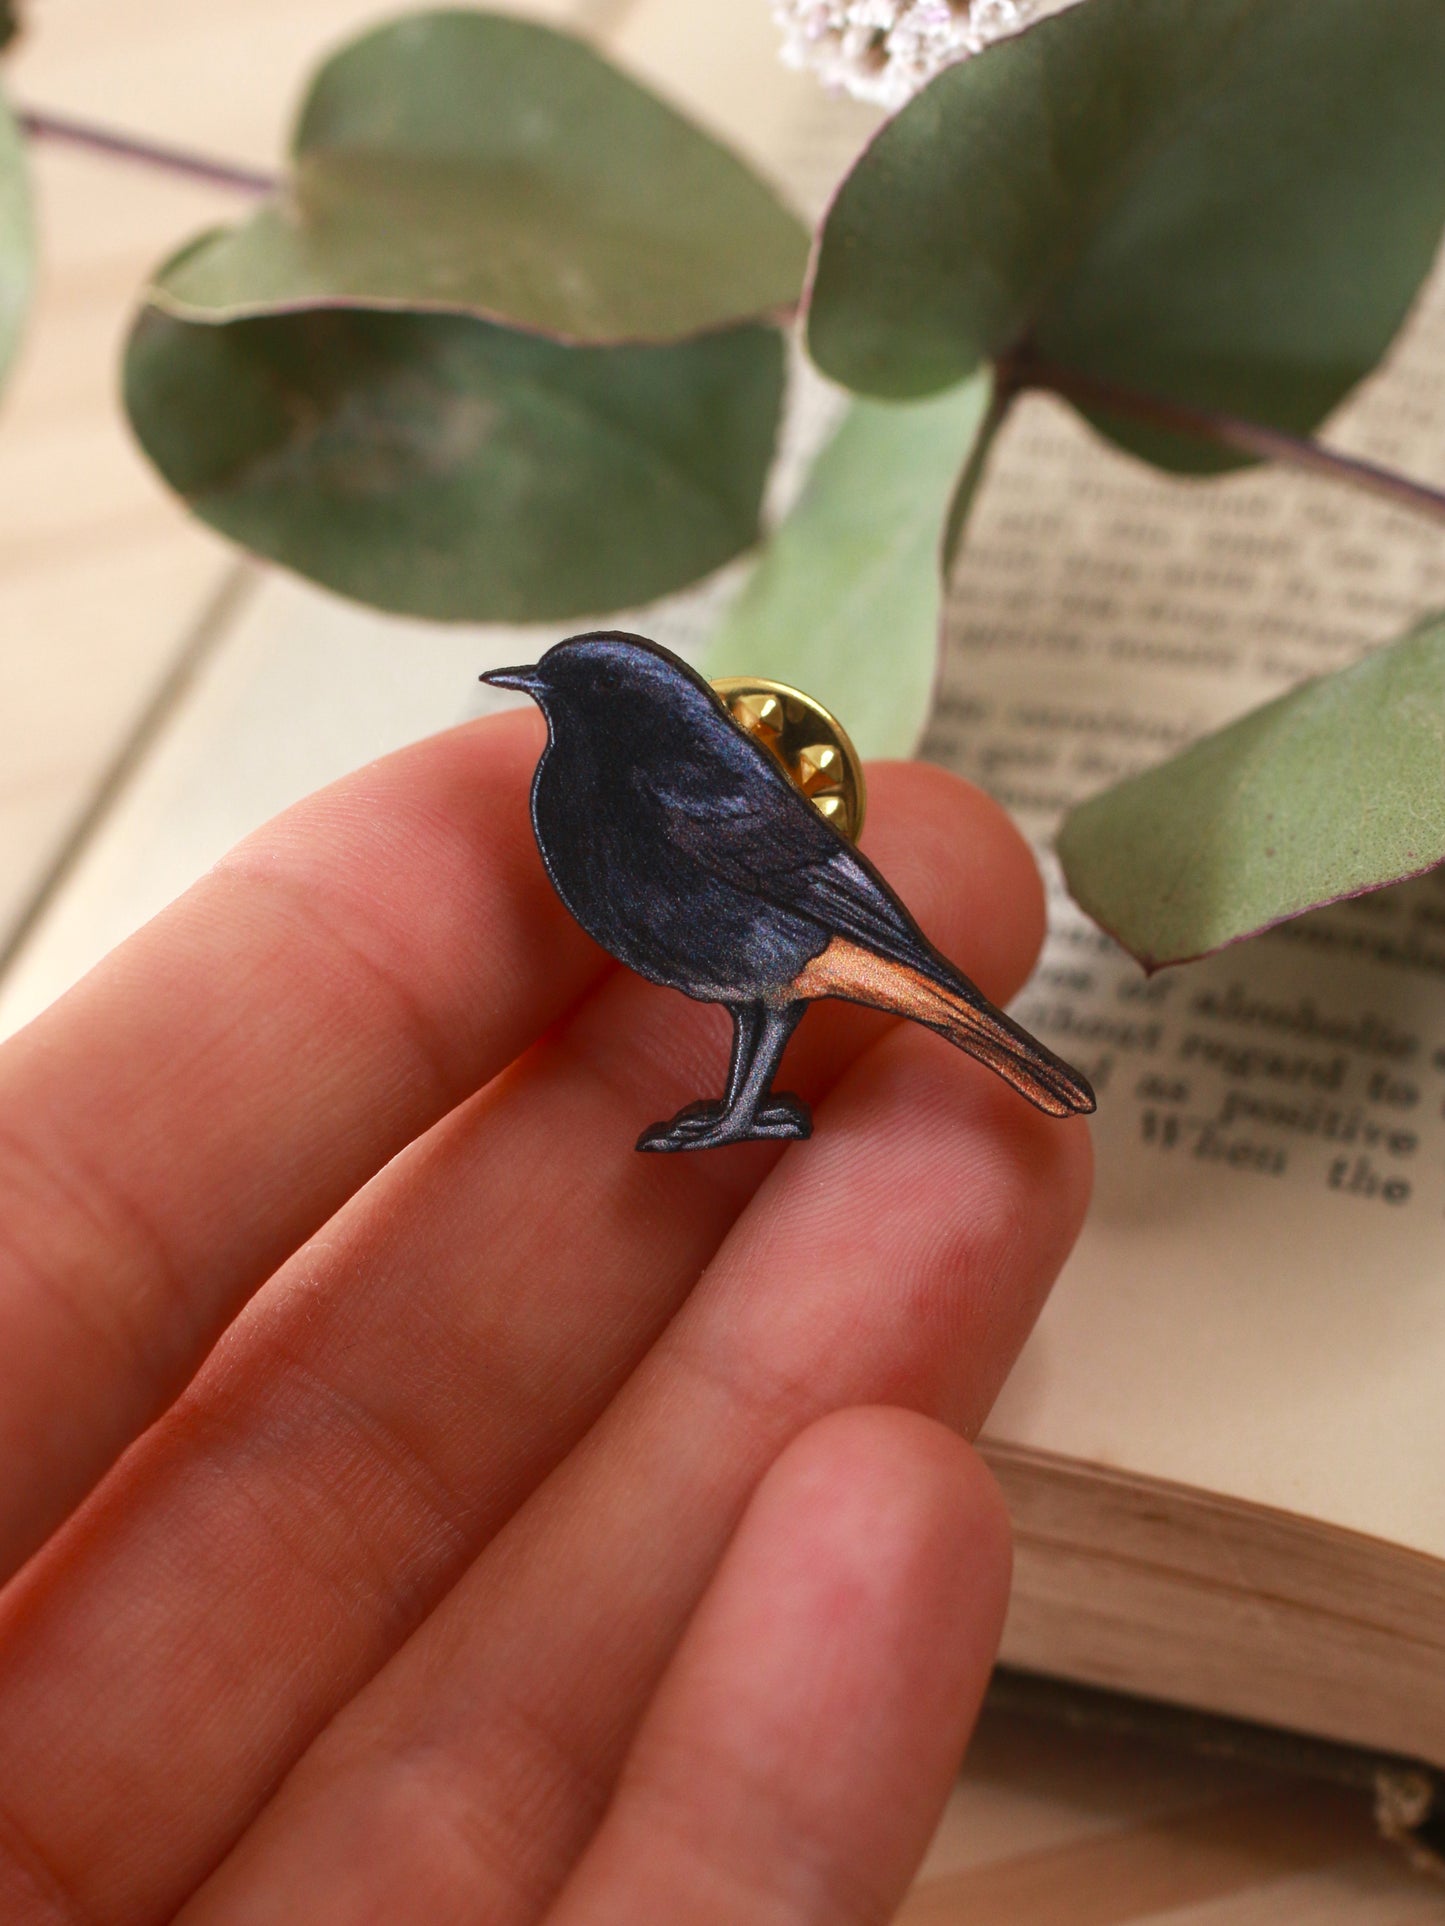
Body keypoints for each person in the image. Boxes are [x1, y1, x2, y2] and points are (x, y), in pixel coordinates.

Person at [0, 708, 1090, 1923]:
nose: (549, 703)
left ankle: (779, 1096)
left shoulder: (661, 788)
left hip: (812, 935)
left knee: (799, 1003)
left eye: (574, 693)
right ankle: (747, 1101)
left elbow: (813, 902)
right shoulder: (614, 788)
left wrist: (911, 973)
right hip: (774, 954)